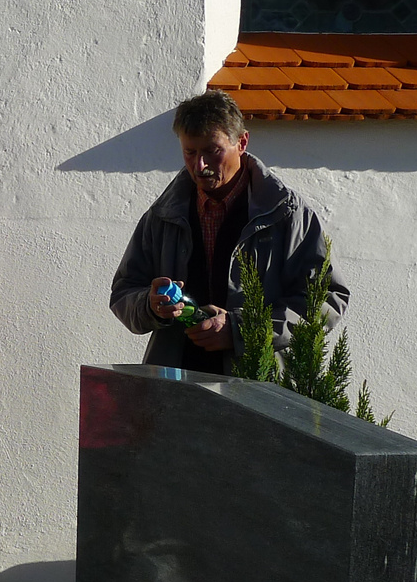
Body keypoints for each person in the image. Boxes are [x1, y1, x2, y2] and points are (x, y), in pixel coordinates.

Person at [111, 90, 346, 372]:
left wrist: (241, 330)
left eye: (212, 151)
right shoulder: (162, 215)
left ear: (242, 142)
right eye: (190, 152)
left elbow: (326, 298)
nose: (200, 165)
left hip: (259, 388)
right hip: (175, 388)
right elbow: (124, 291)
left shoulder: (288, 213)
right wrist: (150, 306)